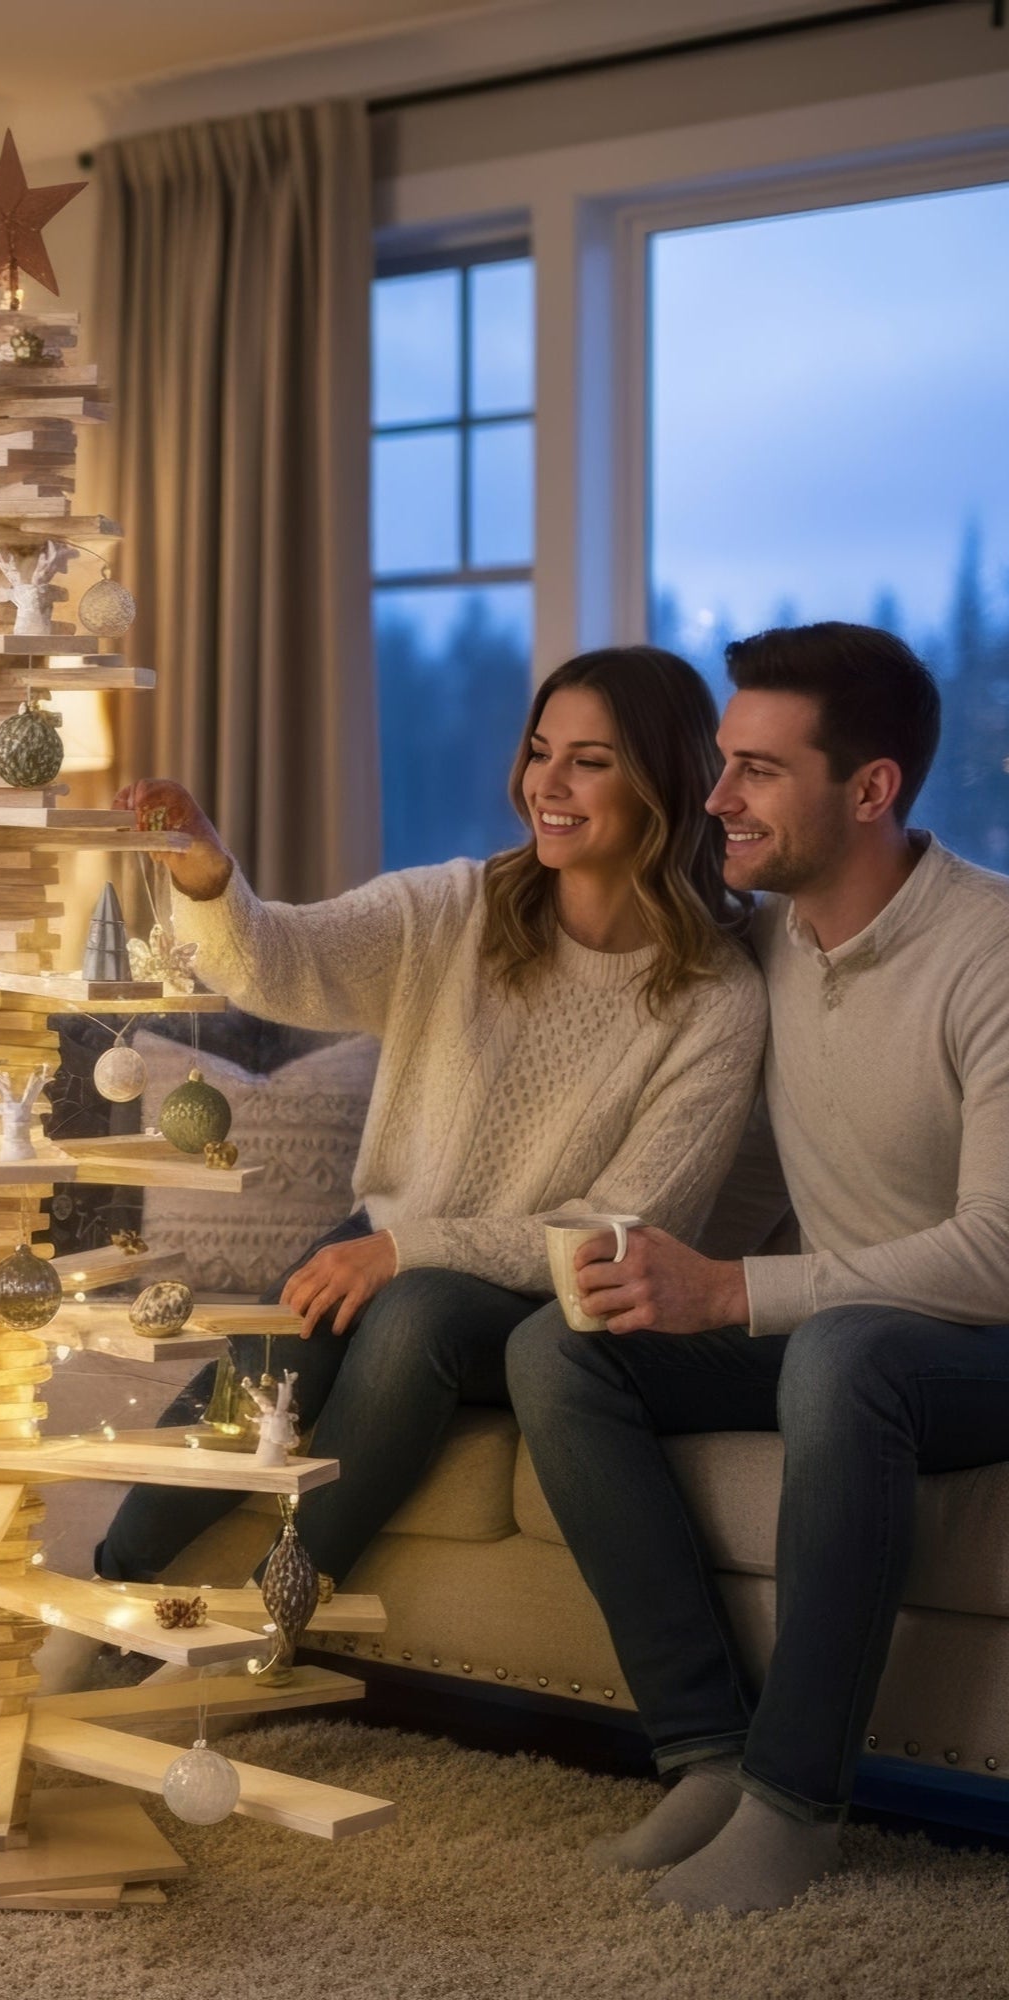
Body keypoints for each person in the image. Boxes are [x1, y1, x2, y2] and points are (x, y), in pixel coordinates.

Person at [506, 623, 1009, 1915]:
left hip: (976, 1344)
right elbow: (736, 1175)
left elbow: (998, 1252)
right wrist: (632, 1256)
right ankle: (709, 1755)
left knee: (842, 1358)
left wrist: (732, 1293)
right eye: (722, 763)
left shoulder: (990, 953)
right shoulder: (768, 946)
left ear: (873, 789)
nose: (715, 799)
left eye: (759, 772)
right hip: (840, 1330)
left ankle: (797, 1800)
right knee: (559, 1349)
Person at [95, 646, 768, 1595]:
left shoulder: (714, 1000)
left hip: (547, 1300)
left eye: (590, 759)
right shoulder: (456, 908)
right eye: (540, 751)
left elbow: (621, 1230)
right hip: (392, 1237)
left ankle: (277, 1611)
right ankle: (105, 1594)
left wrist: (410, 1250)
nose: (549, 784)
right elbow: (283, 962)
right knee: (280, 1341)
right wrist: (207, 874)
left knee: (415, 1313)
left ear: (664, 779)